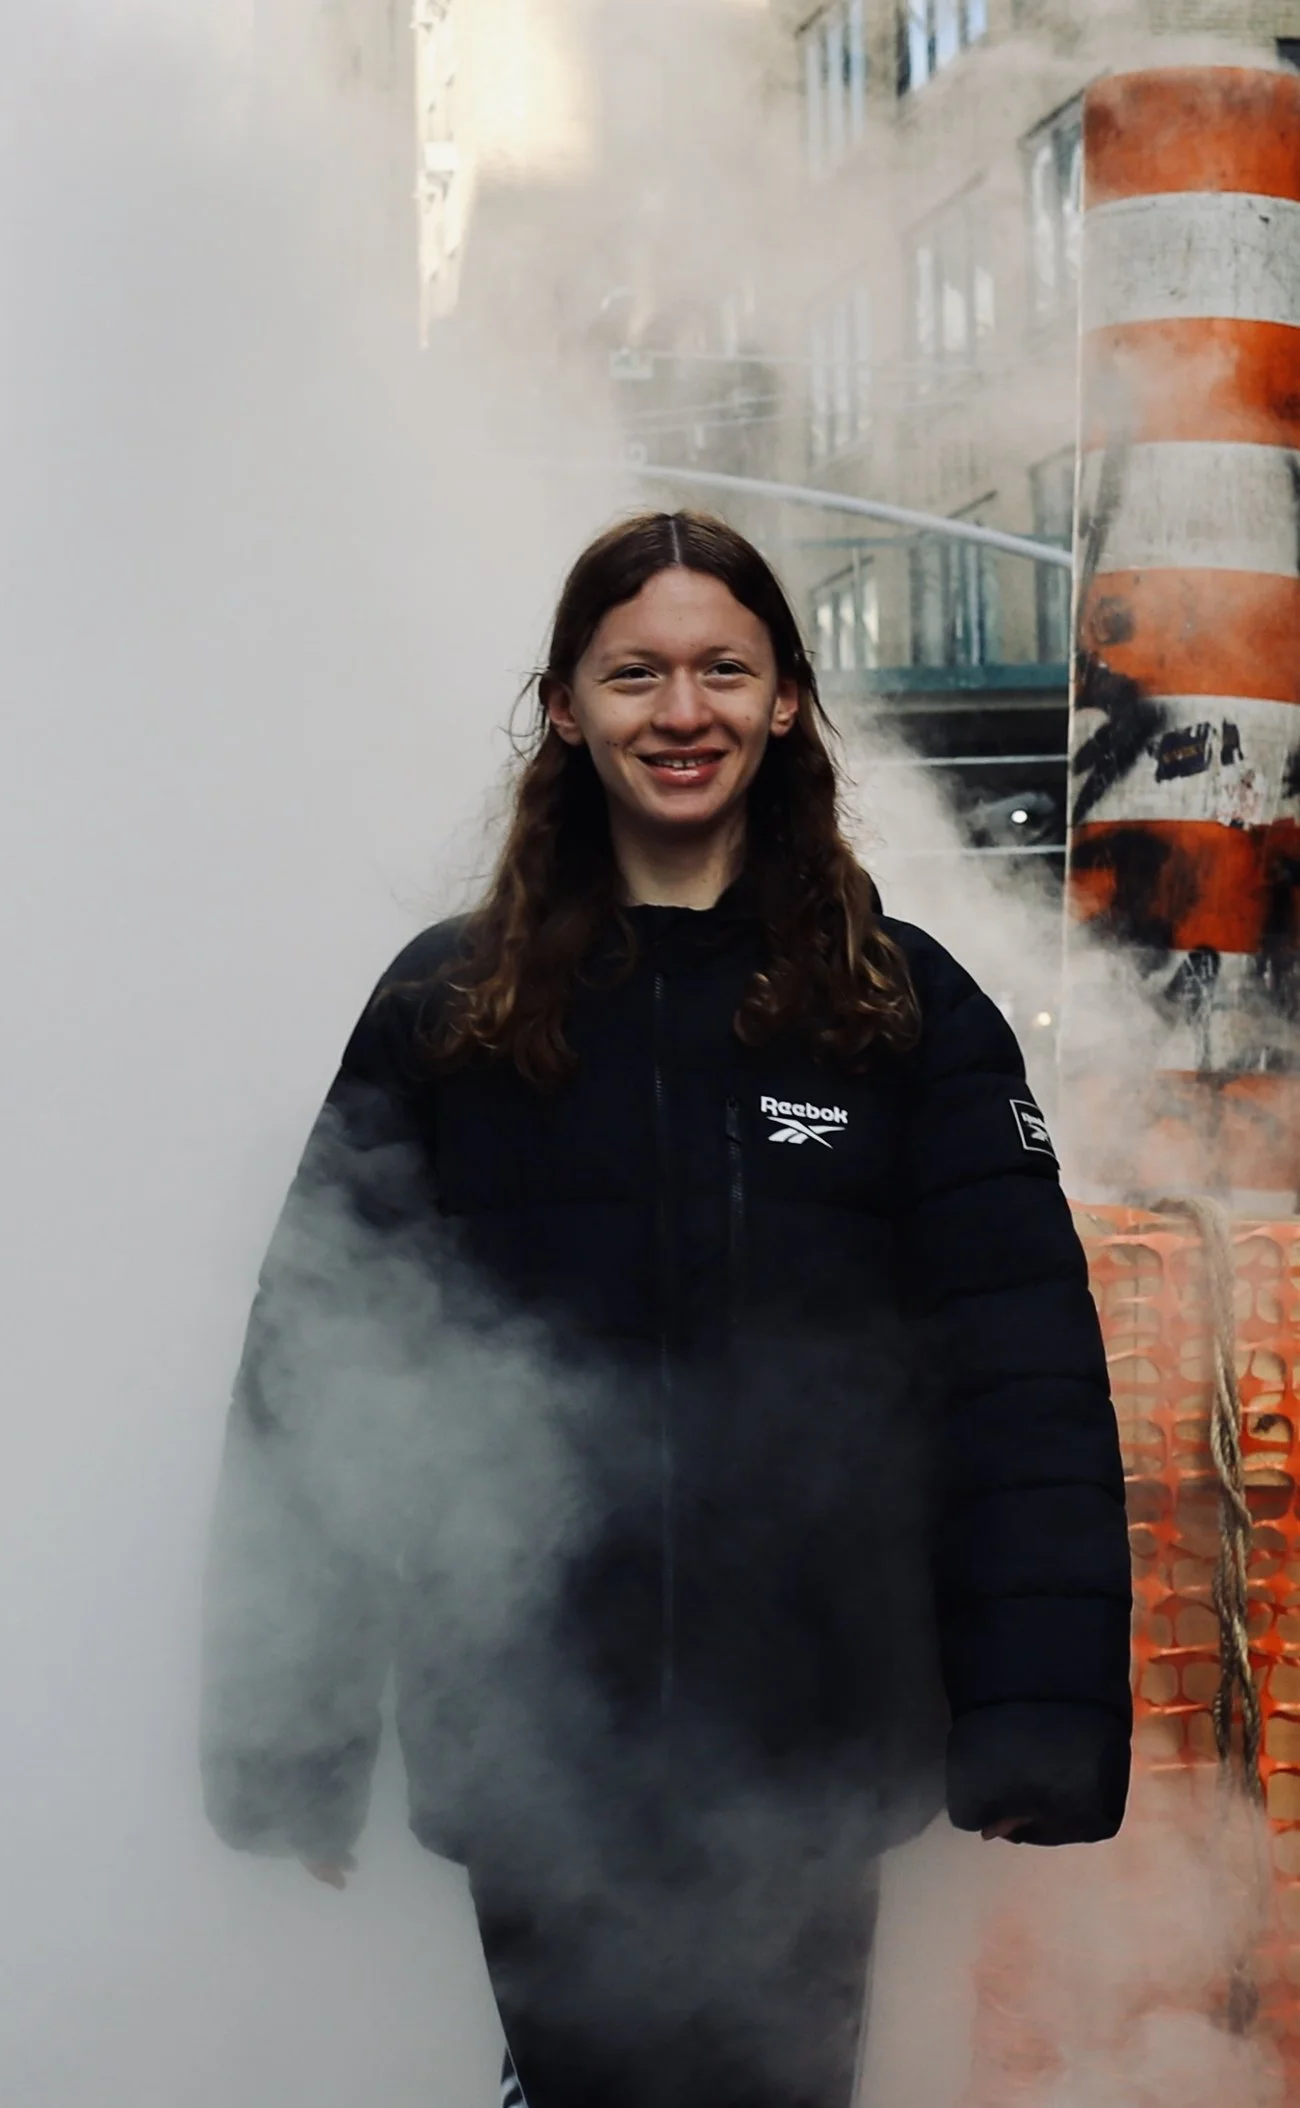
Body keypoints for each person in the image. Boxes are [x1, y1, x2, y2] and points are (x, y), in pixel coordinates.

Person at [200, 511, 1130, 2108]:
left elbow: (1021, 1374)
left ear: (785, 703)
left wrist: (1036, 1716)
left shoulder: (903, 1011)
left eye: (722, 669)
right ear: (565, 705)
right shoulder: (448, 1010)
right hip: (535, 1734)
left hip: (812, 1743)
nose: (679, 710)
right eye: (635, 672)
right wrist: (292, 1739)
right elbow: (319, 1375)